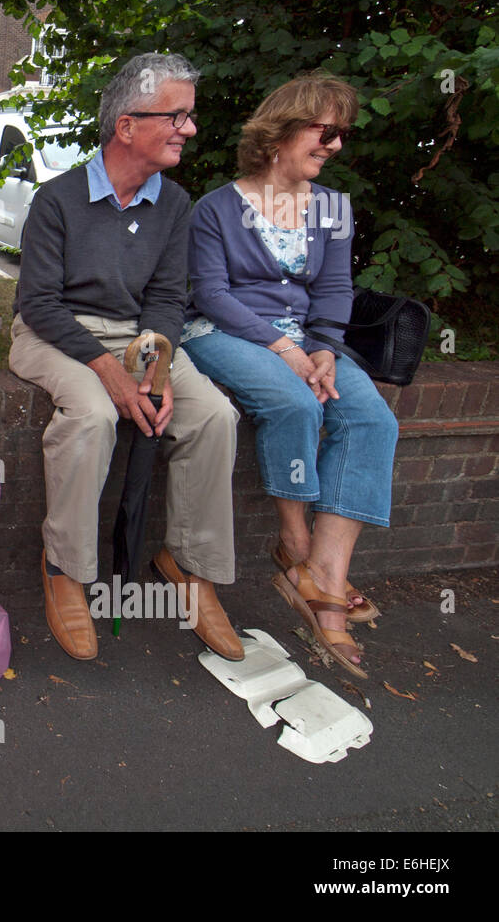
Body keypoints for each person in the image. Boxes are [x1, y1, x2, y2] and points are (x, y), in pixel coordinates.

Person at [10, 52, 242, 662]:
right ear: (127, 126)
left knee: (214, 416)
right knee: (91, 416)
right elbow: (38, 303)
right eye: (177, 116)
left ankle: (191, 566)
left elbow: (167, 297)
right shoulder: (57, 201)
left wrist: (154, 369)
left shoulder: (174, 205)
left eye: (189, 117)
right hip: (57, 333)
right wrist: (109, 370)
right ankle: (66, 567)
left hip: (141, 337)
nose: (189, 129)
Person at [181, 72, 397, 680]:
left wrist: (326, 348)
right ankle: (295, 544)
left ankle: (324, 577)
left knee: (371, 419)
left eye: (342, 135)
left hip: (308, 341)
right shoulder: (217, 208)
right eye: (324, 131)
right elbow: (213, 294)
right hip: (227, 332)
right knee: (295, 405)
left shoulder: (332, 209)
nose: (334, 145)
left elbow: (334, 289)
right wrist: (281, 347)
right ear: (282, 131)